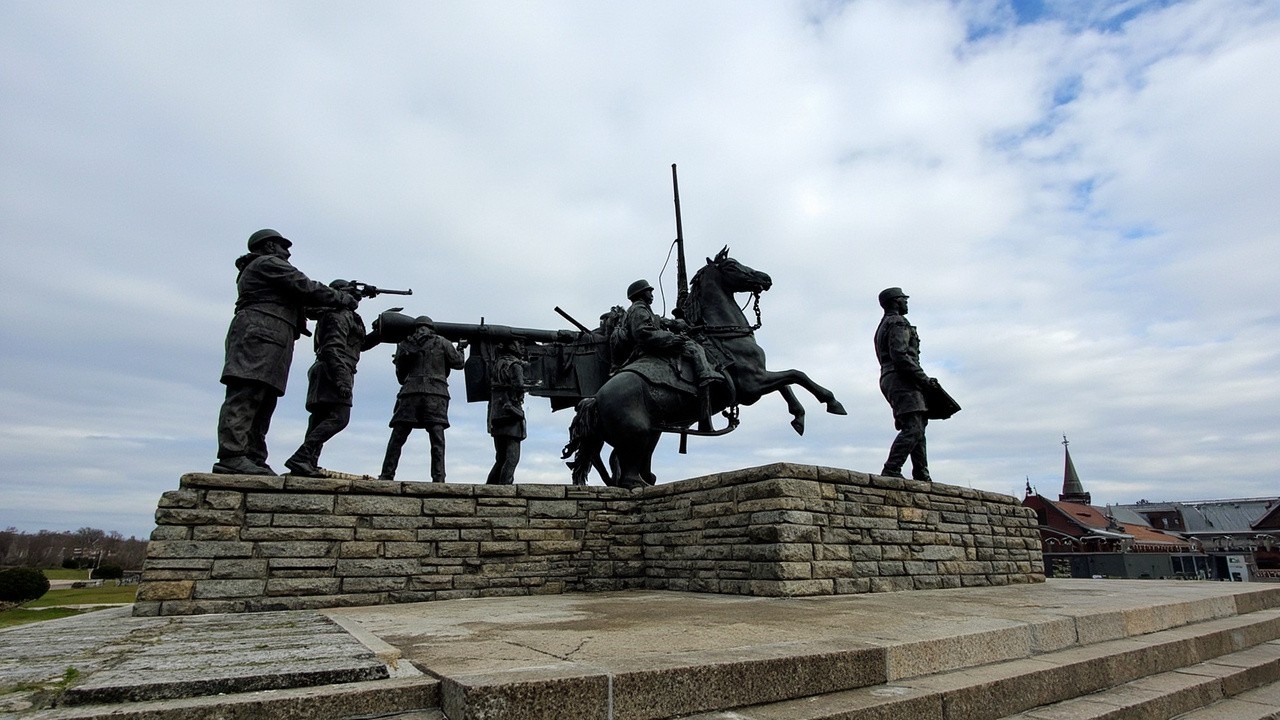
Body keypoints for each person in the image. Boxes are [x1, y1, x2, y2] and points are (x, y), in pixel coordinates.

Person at [214, 229, 356, 475]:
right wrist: (340, 298)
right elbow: (305, 286)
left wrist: (338, 301)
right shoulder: (268, 263)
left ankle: (253, 456)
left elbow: (308, 305)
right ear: (269, 246)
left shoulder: (268, 271)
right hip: (260, 333)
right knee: (247, 394)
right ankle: (232, 455)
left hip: (272, 336)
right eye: (283, 247)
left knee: (264, 399)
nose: (287, 253)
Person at [282, 280, 380, 477]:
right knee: (339, 418)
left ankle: (307, 463)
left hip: (329, 369)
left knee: (319, 420)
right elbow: (332, 348)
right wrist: (342, 379)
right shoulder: (338, 315)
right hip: (333, 369)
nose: (355, 297)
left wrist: (381, 332)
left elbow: (357, 345)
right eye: (350, 293)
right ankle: (302, 457)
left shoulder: (344, 315)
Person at [378, 316, 466, 482]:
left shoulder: (405, 344)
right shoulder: (443, 342)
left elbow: (400, 376)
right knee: (437, 438)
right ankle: (439, 477)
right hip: (436, 394)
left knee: (398, 436)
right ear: (432, 328)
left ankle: (386, 475)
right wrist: (460, 348)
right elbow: (458, 363)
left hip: (410, 393)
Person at [873, 287, 936, 481]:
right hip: (902, 378)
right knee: (914, 428)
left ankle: (921, 473)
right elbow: (900, 355)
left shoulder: (884, 324)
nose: (906, 303)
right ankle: (892, 468)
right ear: (895, 302)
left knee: (918, 425)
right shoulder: (898, 322)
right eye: (903, 299)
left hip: (893, 378)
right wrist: (923, 379)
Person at [617, 279, 719, 385]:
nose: (652, 294)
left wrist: (678, 324)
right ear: (641, 293)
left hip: (650, 344)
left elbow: (660, 321)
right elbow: (643, 333)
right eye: (649, 291)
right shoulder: (639, 310)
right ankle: (705, 375)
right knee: (693, 347)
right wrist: (673, 338)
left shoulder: (643, 310)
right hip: (648, 347)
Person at [486, 340, 528, 485]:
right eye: (520, 345)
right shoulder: (515, 365)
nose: (522, 348)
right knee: (512, 458)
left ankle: (490, 487)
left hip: (496, 414)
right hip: (511, 415)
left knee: (500, 458)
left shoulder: (496, 364)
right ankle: (505, 489)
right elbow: (519, 386)